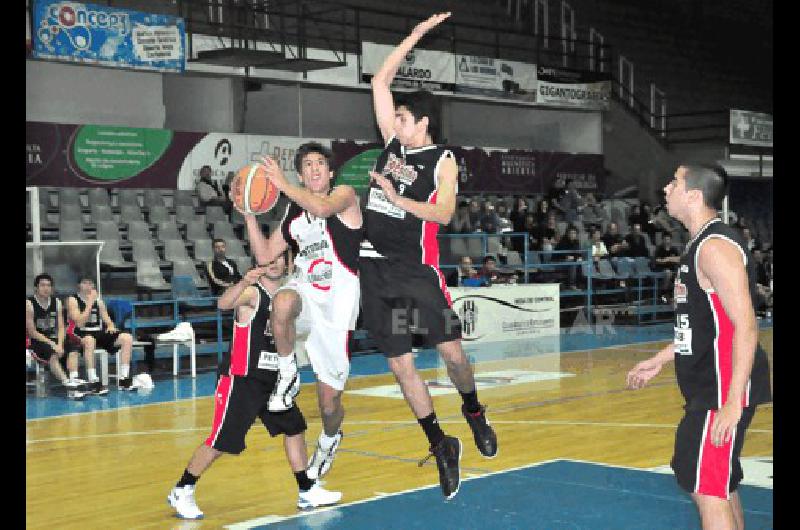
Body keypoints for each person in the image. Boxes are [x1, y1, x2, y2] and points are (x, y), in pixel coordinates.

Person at [364, 11, 497, 500]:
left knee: (452, 354)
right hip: (378, 273)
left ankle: (474, 409)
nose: (395, 121)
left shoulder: (442, 160)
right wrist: (417, 36)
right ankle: (441, 444)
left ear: (423, 123)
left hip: (416, 274)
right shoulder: (389, 144)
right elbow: (380, 79)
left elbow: (442, 214)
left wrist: (398, 200)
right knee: (401, 365)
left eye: (403, 116)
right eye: (394, 115)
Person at [627, 164, 771, 530]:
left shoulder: (714, 248)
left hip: (721, 390)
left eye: (673, 181)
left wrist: (732, 402)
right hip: (712, 387)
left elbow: (746, 325)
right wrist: (660, 359)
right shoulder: (700, 243)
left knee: (706, 487)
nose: (665, 188)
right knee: (718, 485)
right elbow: (702, 325)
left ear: (693, 194)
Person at [167, 256, 341, 519]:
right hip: (242, 379)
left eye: (278, 260)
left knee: (294, 428)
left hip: (274, 381)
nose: (273, 264)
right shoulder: (252, 293)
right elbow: (223, 303)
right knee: (221, 440)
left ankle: (307, 489)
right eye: (267, 260)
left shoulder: (288, 298)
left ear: (287, 263)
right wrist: (243, 281)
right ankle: (182, 488)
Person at [237, 141, 362, 482]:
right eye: (306, 165)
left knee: (329, 405)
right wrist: (249, 214)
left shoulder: (345, 195)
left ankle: (330, 438)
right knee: (282, 301)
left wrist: (282, 185)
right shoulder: (294, 213)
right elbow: (264, 256)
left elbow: (322, 210)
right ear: (302, 174)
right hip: (306, 292)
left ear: (330, 171)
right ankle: (288, 370)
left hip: (336, 308)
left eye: (319, 163)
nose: (314, 169)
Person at [65, 276, 136, 393]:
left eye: (90, 284)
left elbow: (107, 320)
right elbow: (79, 322)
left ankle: (124, 378)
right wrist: (89, 303)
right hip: (80, 332)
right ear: (79, 285)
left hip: (98, 332)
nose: (88, 286)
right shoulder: (72, 300)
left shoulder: (99, 301)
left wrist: (111, 326)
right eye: (85, 283)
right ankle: (93, 380)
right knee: (89, 340)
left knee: (127, 338)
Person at [26, 273, 87, 399]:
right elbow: (32, 332)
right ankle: (69, 386)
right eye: (42, 285)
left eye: (48, 285)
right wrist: (54, 345)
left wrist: (60, 343)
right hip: (36, 340)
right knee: (52, 354)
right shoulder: (29, 304)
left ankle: (74, 379)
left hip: (54, 338)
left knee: (73, 349)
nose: (46, 288)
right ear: (36, 288)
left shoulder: (57, 302)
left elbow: (61, 327)